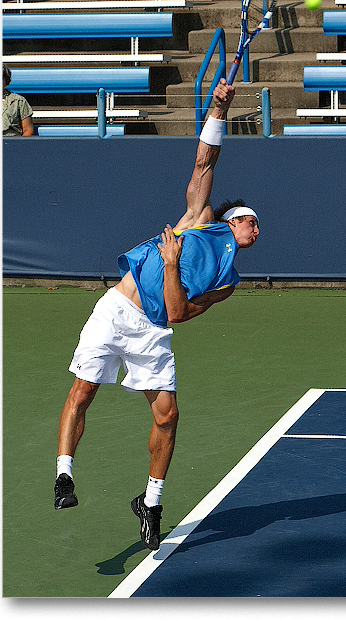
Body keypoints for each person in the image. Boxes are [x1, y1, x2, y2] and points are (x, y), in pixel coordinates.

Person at [54, 78, 260, 551]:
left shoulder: (229, 281)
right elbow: (204, 161)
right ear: (232, 219)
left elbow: (178, 312)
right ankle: (64, 475)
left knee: (168, 415)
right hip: (116, 310)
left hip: (153, 330)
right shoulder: (198, 220)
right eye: (252, 220)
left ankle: (151, 502)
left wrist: (170, 266)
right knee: (83, 390)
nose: (257, 228)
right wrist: (218, 108)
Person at [2, 65, 34, 136]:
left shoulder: (19, 101)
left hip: (12, 140)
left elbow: (28, 129)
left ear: (6, 80)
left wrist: (21, 142)